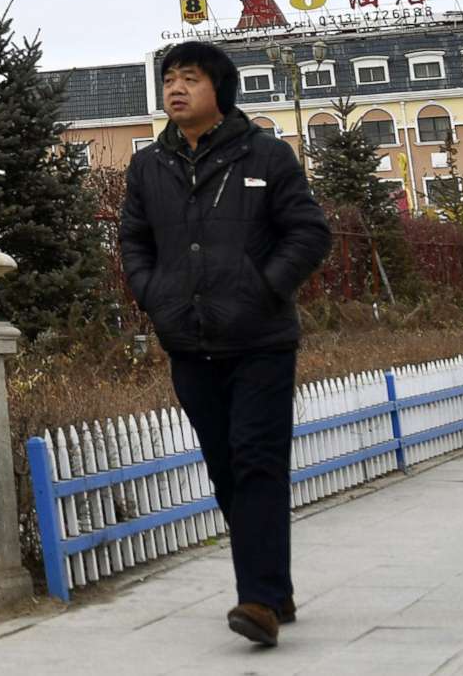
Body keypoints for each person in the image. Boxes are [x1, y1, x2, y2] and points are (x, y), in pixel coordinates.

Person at [118, 40, 332, 648]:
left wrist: (266, 288)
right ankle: (275, 585)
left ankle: (258, 601)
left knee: (257, 461)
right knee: (225, 470)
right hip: (188, 342)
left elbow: (309, 232)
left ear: (220, 89)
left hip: (260, 341)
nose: (175, 90)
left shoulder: (267, 154)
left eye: (189, 78)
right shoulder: (148, 167)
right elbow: (134, 240)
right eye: (168, 81)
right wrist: (152, 292)